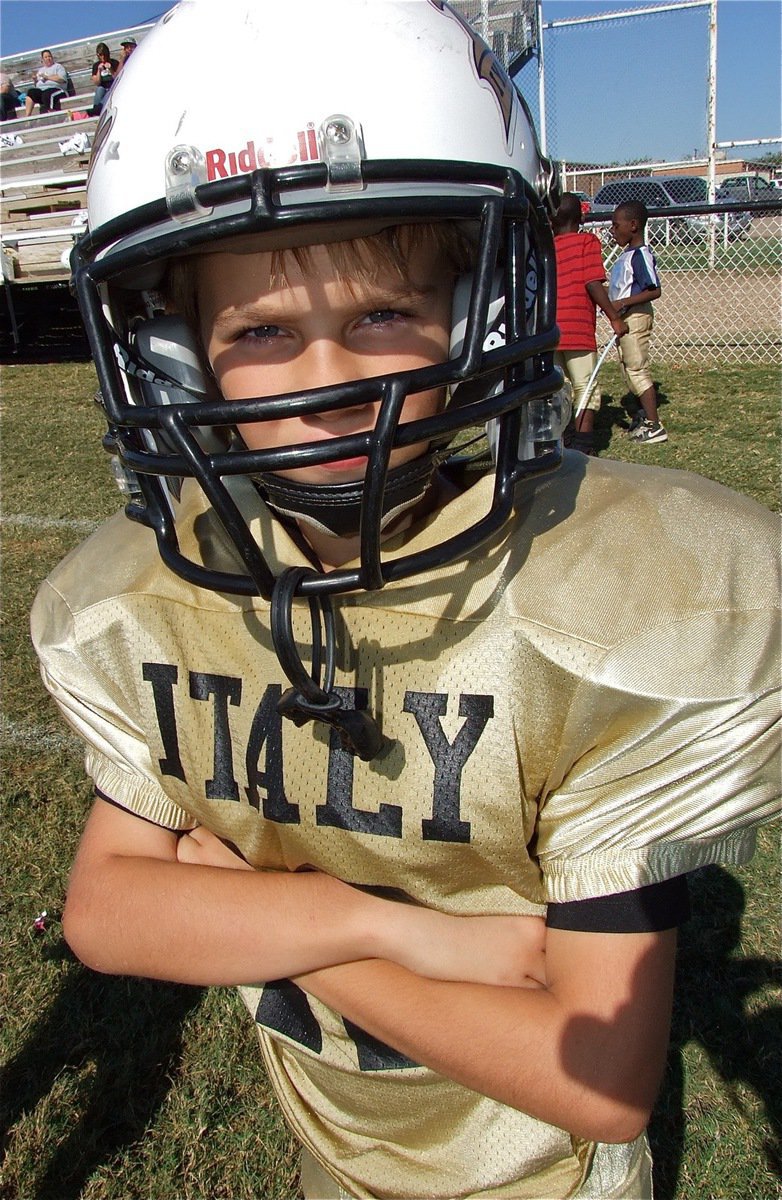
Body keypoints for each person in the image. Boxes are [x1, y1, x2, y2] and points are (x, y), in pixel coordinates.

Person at [30, 3, 780, 1199]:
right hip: (331, 1143)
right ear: (173, 359)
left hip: (538, 1172)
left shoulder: (620, 596)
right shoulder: (139, 593)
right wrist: (390, 928)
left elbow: (592, 1079)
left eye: (381, 314)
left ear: (481, 315)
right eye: (262, 329)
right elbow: (106, 912)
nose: (328, 382)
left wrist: (265, 923)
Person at [552, 192, 628, 455]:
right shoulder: (587, 242)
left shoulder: (546, 247)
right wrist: (615, 317)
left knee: (559, 387)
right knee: (586, 385)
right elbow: (592, 283)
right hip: (578, 328)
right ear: (581, 217)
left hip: (551, 331)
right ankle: (584, 446)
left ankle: (563, 440)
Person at [608, 201, 666, 444]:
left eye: (615, 225)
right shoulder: (627, 255)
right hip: (625, 318)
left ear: (633, 226)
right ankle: (643, 416)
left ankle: (654, 426)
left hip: (636, 316)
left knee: (636, 368)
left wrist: (624, 303)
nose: (612, 230)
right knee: (627, 368)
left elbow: (654, 290)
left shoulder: (641, 255)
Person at [24, 49, 68, 115]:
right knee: (31, 92)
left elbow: (62, 79)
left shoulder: (58, 67)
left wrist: (47, 77)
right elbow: (38, 84)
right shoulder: (41, 70)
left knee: (47, 94)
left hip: (58, 90)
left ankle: (53, 113)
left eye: (49, 56)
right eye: (46, 57)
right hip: (42, 91)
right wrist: (35, 80)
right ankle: (27, 117)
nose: (48, 58)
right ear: (43, 59)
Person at [89, 42, 118, 115]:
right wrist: (99, 71)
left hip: (113, 86)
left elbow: (117, 78)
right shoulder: (96, 66)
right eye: (100, 55)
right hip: (103, 88)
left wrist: (111, 69)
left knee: (109, 92)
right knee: (100, 89)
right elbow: (97, 83)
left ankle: (97, 109)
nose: (103, 57)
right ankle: (97, 108)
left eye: (104, 54)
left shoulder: (114, 63)